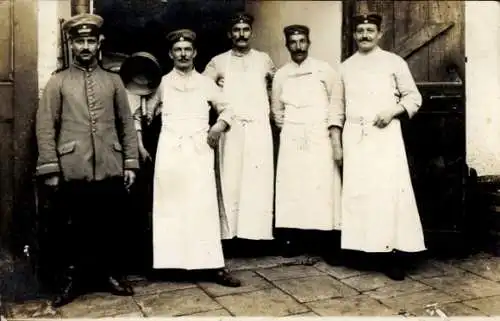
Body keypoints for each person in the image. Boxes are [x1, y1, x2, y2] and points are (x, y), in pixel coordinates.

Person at [35, 13, 139, 307]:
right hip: (73, 167)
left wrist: (129, 162)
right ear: (71, 44)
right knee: (71, 228)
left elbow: (126, 124)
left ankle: (110, 275)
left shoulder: (114, 81)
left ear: (98, 44)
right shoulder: (58, 82)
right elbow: (45, 126)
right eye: (79, 41)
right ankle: (71, 280)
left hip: (108, 164)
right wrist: (51, 168)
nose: (85, 47)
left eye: (90, 41)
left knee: (109, 223)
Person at [339, 13, 426, 280]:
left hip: (385, 135)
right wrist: (336, 141)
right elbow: (336, 107)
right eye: (360, 30)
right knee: (360, 193)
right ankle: (366, 250)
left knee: (387, 193)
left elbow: (414, 97)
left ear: (379, 33)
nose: (364, 35)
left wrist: (393, 111)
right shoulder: (345, 67)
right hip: (355, 136)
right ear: (354, 34)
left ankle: (392, 254)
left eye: (370, 30)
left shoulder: (393, 62)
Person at [151, 28, 241, 287]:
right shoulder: (162, 83)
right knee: (171, 207)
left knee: (202, 208)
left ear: (195, 53)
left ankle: (213, 266)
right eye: (178, 50)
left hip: (199, 151)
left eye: (187, 50)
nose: (183, 54)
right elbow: (142, 107)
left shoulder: (205, 83)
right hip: (170, 151)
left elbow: (228, 108)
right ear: (170, 54)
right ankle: (171, 265)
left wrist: (218, 127)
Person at [203, 12, 276, 256]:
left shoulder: (264, 59)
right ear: (229, 34)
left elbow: (274, 88)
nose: (241, 34)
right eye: (237, 30)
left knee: (258, 181)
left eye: (245, 29)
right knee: (231, 179)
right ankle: (230, 237)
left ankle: (255, 237)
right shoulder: (218, 62)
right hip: (231, 129)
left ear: (251, 33)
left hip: (258, 127)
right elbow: (202, 90)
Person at [271, 25, 343, 262]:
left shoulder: (324, 70)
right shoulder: (281, 74)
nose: (298, 47)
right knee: (293, 187)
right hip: (293, 136)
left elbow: (336, 102)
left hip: (319, 135)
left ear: (309, 43)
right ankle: (294, 239)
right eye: (293, 42)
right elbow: (277, 111)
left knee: (321, 186)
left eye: (302, 41)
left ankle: (327, 241)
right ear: (287, 45)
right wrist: (292, 130)